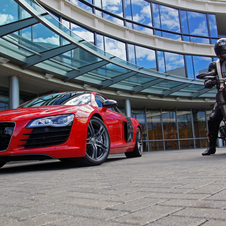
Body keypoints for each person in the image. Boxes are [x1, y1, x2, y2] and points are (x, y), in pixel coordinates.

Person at [202, 38, 226, 156]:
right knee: (213, 119)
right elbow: (208, 78)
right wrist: (210, 82)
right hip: (223, 96)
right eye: (222, 53)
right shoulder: (214, 65)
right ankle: (211, 147)